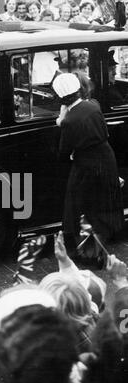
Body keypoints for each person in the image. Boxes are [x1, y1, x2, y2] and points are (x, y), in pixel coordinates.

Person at [52, 72, 124, 260]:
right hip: (106, 159)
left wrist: (60, 121)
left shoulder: (69, 121)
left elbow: (63, 152)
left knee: (75, 206)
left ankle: (80, 251)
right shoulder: (94, 105)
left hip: (85, 165)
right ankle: (100, 248)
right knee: (102, 205)